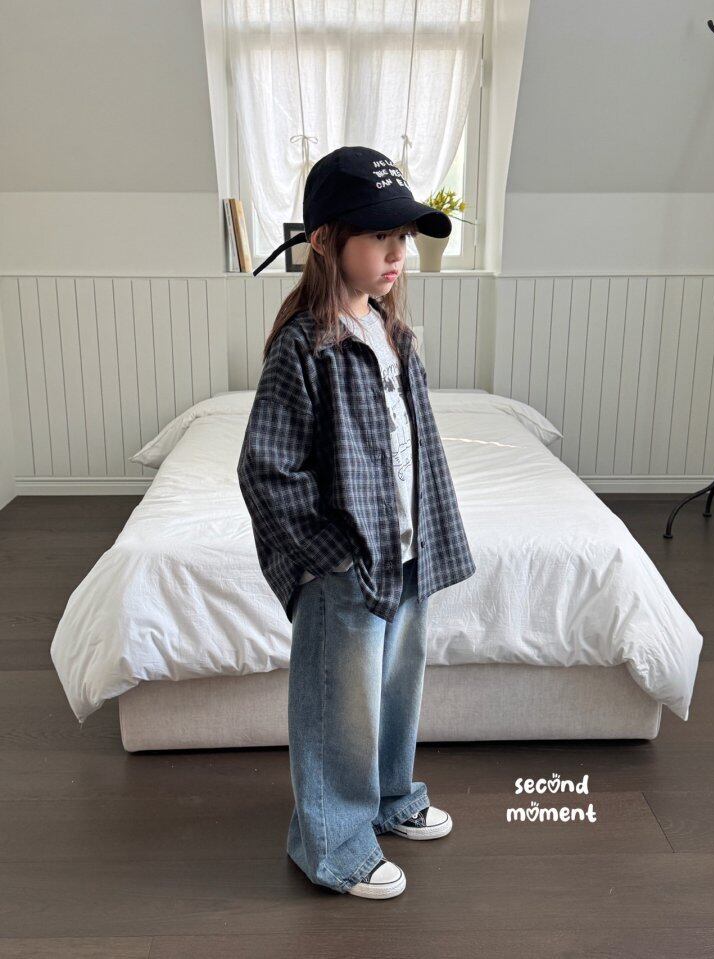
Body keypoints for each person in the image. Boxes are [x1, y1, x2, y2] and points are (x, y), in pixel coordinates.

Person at [237, 146, 476, 899]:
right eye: (379, 237)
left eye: (402, 237)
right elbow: (265, 468)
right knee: (339, 704)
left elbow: (415, 444)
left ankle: (389, 797)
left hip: (404, 550)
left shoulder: (392, 332)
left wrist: (428, 531)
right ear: (324, 240)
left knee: (396, 688)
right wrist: (330, 555)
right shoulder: (302, 346)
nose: (397, 253)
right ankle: (333, 843)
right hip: (348, 562)